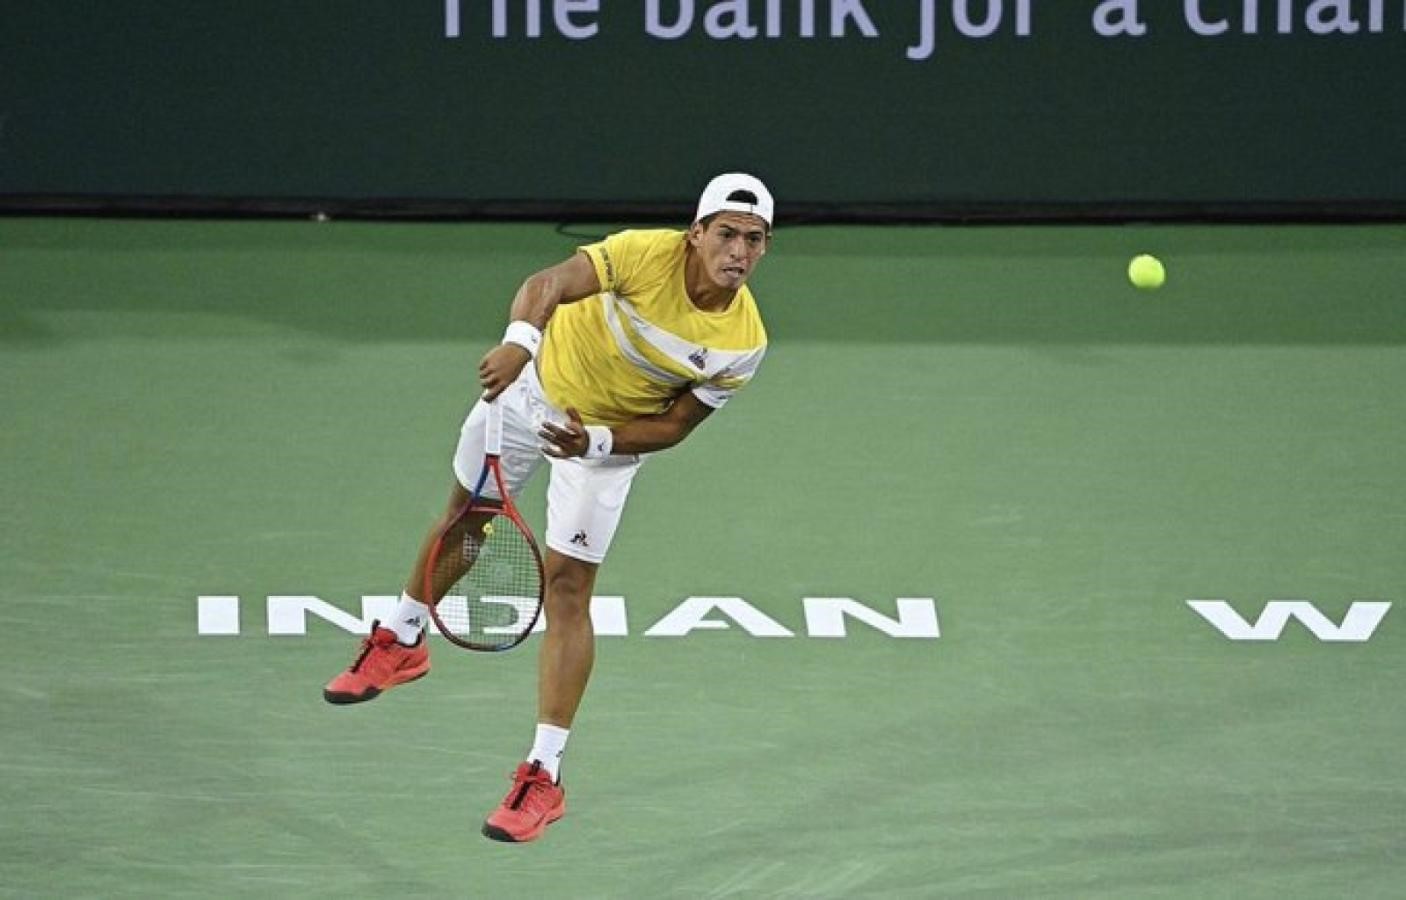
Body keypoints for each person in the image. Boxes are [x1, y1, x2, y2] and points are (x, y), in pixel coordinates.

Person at [322, 173, 775, 842]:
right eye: (727, 234)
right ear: (696, 233)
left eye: (754, 240)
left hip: (601, 446)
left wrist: (595, 441)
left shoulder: (743, 342)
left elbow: (676, 425)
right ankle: (403, 639)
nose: (738, 251)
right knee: (466, 520)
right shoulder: (642, 254)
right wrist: (520, 343)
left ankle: (543, 774)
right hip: (528, 391)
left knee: (568, 589)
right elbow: (549, 284)